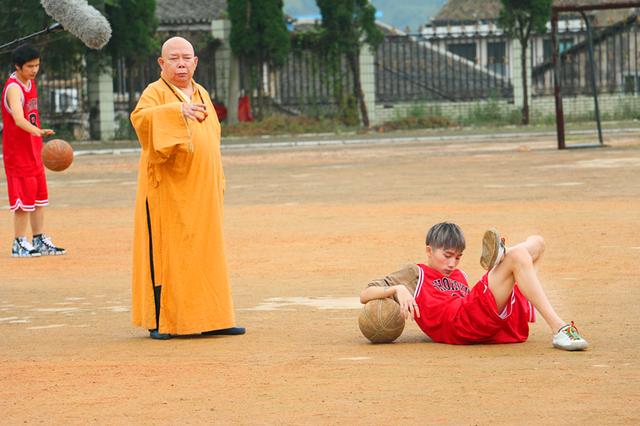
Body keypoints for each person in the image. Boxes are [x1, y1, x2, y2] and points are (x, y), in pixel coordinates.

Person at [130, 37, 244, 340]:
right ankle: (161, 321)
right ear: (161, 63)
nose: (181, 63)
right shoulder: (154, 93)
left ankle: (212, 316)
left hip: (202, 190)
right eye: (174, 58)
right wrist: (175, 112)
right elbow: (140, 121)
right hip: (168, 191)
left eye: (186, 58)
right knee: (168, 253)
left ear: (195, 62)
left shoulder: (202, 92)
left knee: (206, 252)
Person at [360, 222, 588, 351]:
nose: (452, 263)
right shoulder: (415, 273)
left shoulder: (460, 275)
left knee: (538, 242)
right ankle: (560, 329)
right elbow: (365, 294)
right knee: (518, 255)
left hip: (482, 321)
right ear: (429, 250)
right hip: (460, 322)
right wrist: (397, 289)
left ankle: (503, 258)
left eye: (458, 257)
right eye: (447, 255)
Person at [1, 44, 65, 257]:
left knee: (38, 199)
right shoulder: (14, 88)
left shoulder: (29, 82)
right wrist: (38, 131)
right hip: (18, 153)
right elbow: (18, 119)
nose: (35, 70)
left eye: (37, 65)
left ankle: (38, 239)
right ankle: (19, 242)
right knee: (23, 202)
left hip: (34, 151)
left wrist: (36, 137)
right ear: (17, 66)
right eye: (30, 66)